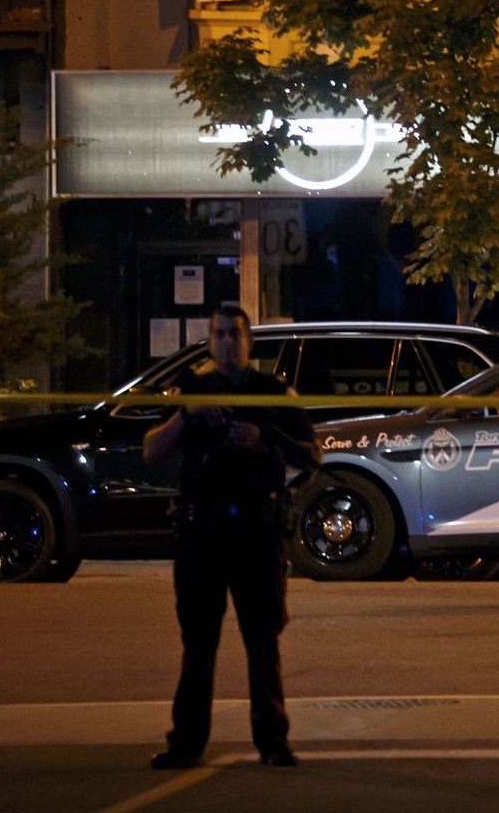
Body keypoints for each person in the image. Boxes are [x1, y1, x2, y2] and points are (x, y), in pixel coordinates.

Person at [143, 305, 318, 769]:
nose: (226, 342)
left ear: (249, 342)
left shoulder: (273, 392)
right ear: (209, 341)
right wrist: (187, 414)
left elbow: (312, 455)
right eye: (218, 335)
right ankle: (186, 743)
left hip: (257, 534)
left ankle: (274, 742)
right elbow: (151, 450)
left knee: (263, 643)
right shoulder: (191, 390)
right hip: (203, 533)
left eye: (234, 335)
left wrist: (268, 439)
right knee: (198, 644)